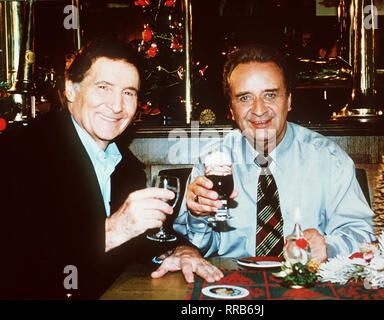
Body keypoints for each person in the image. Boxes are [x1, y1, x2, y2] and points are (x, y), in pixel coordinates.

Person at [0, 39, 222, 299]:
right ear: (71, 90)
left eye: (128, 92)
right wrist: (117, 228)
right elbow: (19, 262)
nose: (117, 106)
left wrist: (181, 250)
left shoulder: (126, 165)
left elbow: (143, 240)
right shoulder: (18, 152)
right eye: (104, 87)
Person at [174, 44, 375, 261]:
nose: (259, 110)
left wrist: (328, 247)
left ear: (289, 101)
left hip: (306, 284)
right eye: (244, 98)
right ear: (231, 110)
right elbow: (195, 249)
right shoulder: (211, 162)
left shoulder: (328, 158)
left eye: (270, 95)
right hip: (232, 285)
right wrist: (198, 216)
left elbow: (362, 234)